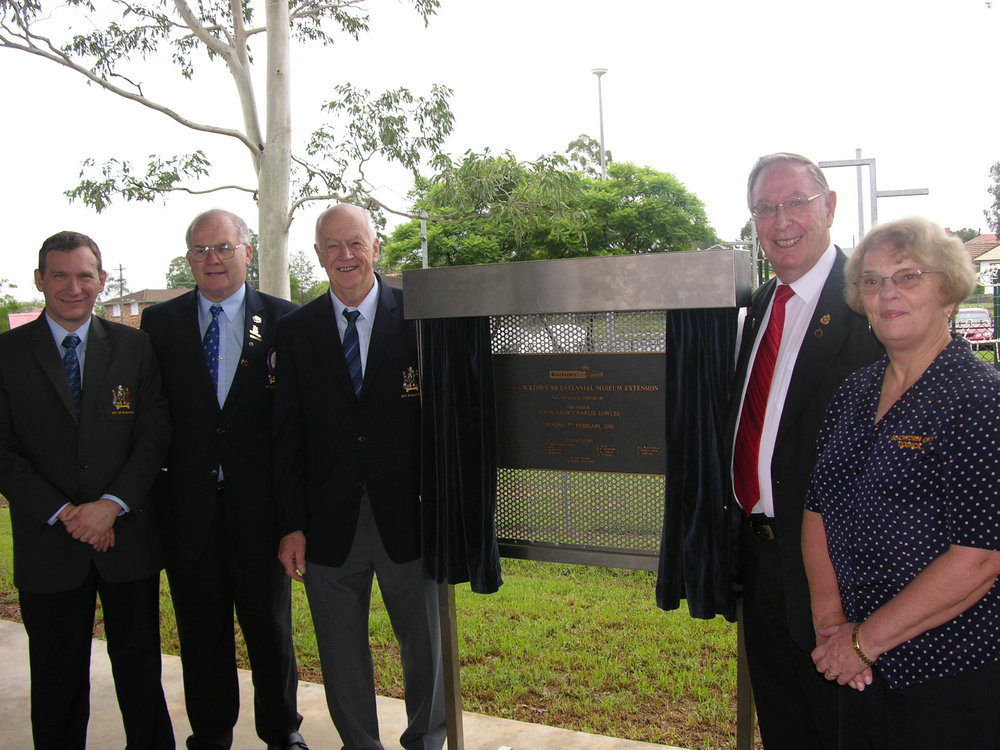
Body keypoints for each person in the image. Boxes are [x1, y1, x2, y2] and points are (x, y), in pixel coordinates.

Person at [804, 217, 1000, 749]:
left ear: (949, 293)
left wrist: (864, 641)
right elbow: (818, 509)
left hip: (947, 671)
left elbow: (980, 559)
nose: (886, 292)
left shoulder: (979, 399)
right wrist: (831, 627)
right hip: (858, 665)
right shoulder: (853, 392)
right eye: (871, 280)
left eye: (908, 276)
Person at [274, 203, 446, 750]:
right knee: (340, 649)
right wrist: (291, 526)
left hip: (411, 517)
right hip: (328, 525)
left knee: (426, 646)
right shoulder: (294, 331)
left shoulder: (422, 319)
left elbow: (445, 426)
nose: (345, 255)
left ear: (377, 247)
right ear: (318, 254)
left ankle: (426, 738)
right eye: (332, 245)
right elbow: (286, 441)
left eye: (355, 243)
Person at [727, 153, 884, 749]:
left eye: (796, 202)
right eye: (765, 208)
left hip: (841, 576)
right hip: (760, 561)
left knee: (844, 730)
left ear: (829, 206)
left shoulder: (869, 305)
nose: (780, 220)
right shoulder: (762, 306)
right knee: (785, 725)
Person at [0, 231, 174, 749]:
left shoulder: (134, 346)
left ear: (100, 281)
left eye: (84, 275)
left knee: (141, 674)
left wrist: (110, 506)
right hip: (49, 544)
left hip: (126, 542)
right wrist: (67, 513)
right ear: (40, 280)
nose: (73, 287)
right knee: (56, 682)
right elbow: (3, 450)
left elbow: (155, 434)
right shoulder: (7, 354)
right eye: (60, 275)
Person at [141, 210, 305, 750]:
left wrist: (293, 520)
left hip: (260, 512)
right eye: (200, 250)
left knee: (271, 635)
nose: (212, 259)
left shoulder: (284, 320)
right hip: (188, 510)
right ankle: (210, 736)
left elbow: (295, 425)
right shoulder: (160, 323)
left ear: (247, 252)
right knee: (201, 636)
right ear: (188, 257)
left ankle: (282, 734)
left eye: (223, 248)